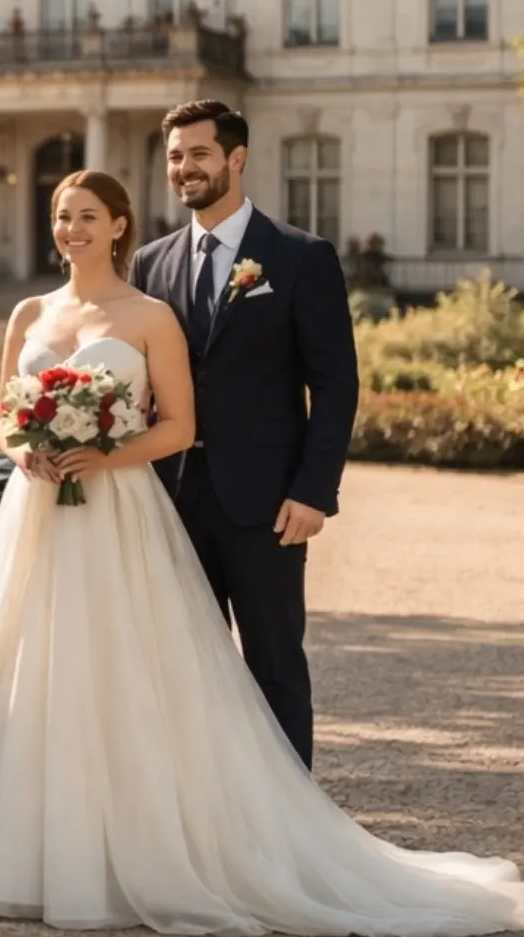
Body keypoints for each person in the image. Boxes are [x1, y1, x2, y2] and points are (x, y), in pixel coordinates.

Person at [0, 168, 524, 936]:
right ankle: (34, 851)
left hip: (118, 508)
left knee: (138, 674)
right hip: (37, 513)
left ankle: (175, 843)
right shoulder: (28, 312)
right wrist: (27, 449)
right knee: (37, 669)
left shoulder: (150, 315)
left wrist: (103, 454)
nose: (71, 228)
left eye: (86, 216)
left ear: (118, 226)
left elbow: (179, 425)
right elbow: (2, 415)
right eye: (61, 216)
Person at [125, 99, 355, 768]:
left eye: (198, 154)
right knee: (179, 667)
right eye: (174, 156)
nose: (184, 168)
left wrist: (314, 492)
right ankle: (204, 822)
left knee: (275, 666)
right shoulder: (151, 264)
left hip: (267, 506)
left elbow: (335, 384)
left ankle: (292, 832)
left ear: (236, 158)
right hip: (172, 503)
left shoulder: (301, 257)